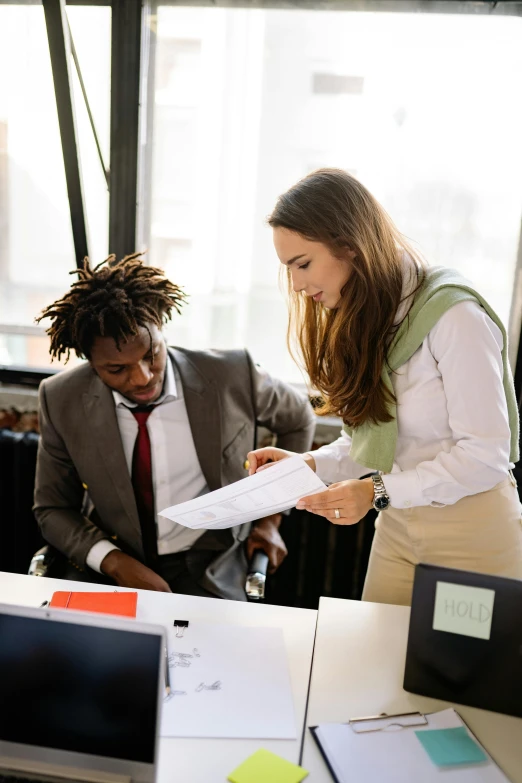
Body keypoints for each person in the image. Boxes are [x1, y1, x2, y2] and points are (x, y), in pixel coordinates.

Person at [248, 168, 522, 607]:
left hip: (474, 534)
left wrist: (376, 491)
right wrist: (308, 464)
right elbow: (371, 441)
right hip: (398, 528)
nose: (297, 286)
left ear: (350, 247)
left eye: (303, 264)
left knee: (461, 675)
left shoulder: (454, 316)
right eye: (289, 269)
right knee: (372, 665)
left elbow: (486, 455)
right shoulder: (365, 317)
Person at [34, 253, 315, 600]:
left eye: (150, 354)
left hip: (211, 559)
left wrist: (270, 518)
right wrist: (114, 562)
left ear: (161, 329)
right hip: (111, 561)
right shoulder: (61, 398)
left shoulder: (230, 375)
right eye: (117, 369)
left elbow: (299, 418)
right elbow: (52, 509)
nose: (142, 377)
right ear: (91, 363)